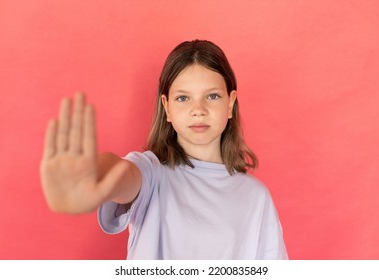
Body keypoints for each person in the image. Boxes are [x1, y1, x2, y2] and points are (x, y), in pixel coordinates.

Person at [40, 39, 288, 259]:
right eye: (183, 98)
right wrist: (94, 173)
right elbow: (122, 174)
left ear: (231, 103)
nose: (198, 109)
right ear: (166, 107)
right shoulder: (152, 173)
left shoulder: (256, 197)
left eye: (212, 96)